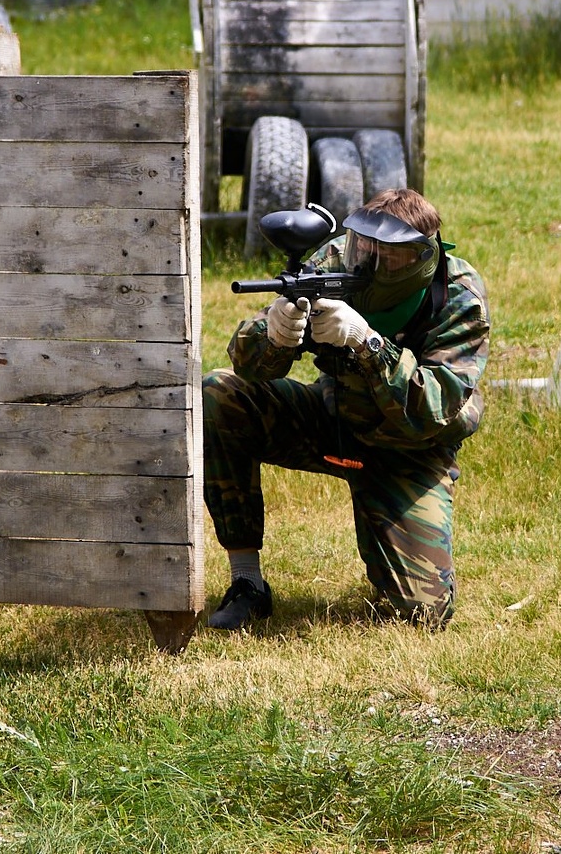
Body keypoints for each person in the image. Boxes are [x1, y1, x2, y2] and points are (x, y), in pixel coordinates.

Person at [203, 187, 489, 631]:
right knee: (221, 393)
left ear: (420, 258)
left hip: (410, 450)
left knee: (420, 614)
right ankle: (247, 583)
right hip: (335, 421)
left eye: (386, 255)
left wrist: (369, 343)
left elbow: (435, 405)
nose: (368, 261)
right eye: (363, 246)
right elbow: (249, 364)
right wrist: (273, 336)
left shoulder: (458, 297)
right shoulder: (339, 259)